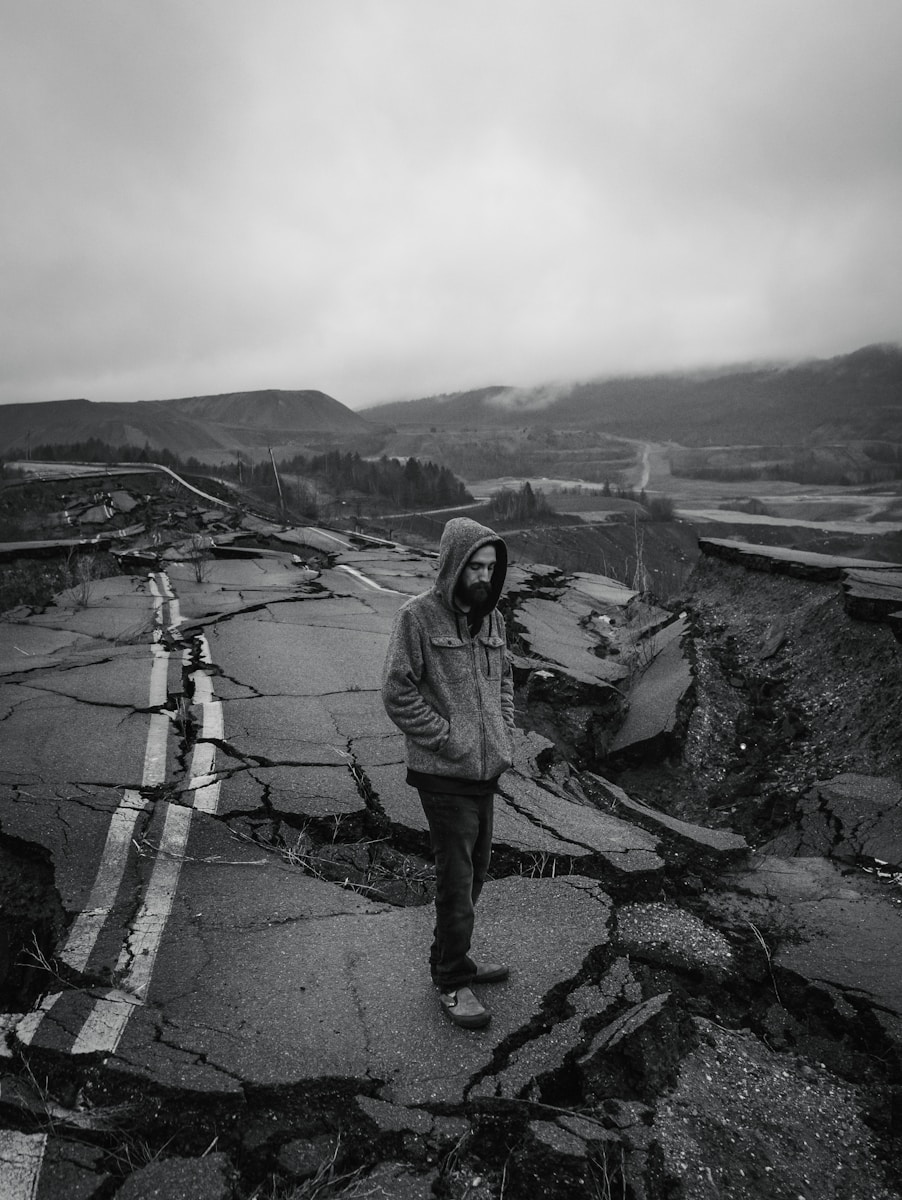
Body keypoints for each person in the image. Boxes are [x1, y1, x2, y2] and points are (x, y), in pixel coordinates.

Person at [381, 517, 516, 1029]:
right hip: (443, 774)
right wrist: (449, 739)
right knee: (457, 881)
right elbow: (398, 691)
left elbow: (504, 682)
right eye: (475, 567)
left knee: (476, 872)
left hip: (486, 771)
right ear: (453, 566)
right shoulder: (417, 618)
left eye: (490, 567)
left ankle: (451, 960)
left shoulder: (494, 619)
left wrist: (504, 734)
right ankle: (452, 983)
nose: (483, 576)